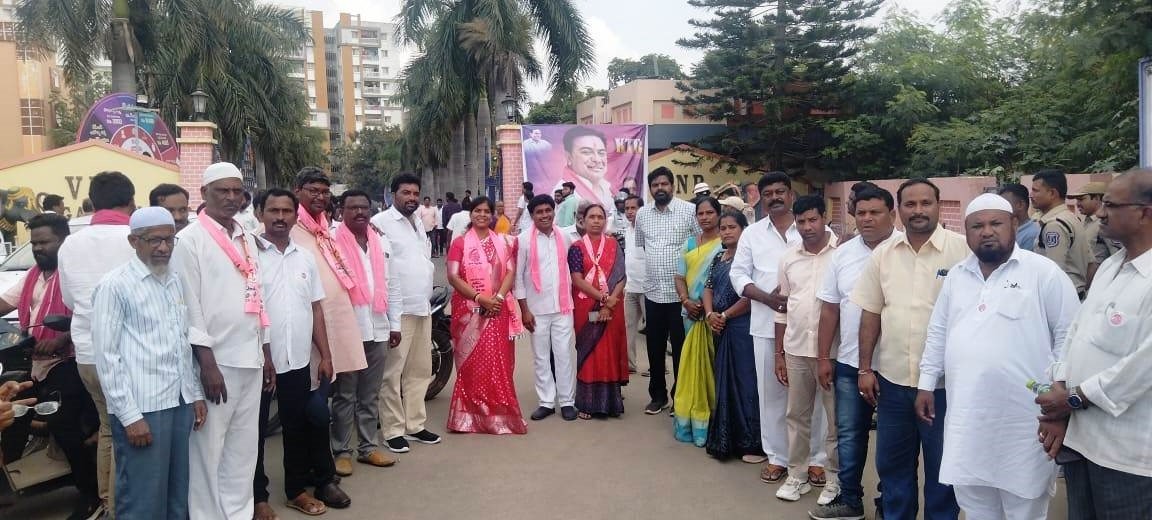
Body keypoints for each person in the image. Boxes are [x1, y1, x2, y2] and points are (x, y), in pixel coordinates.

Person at [912, 194, 1078, 520]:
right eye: (977, 226)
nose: (986, 231)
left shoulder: (1043, 273)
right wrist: (926, 384)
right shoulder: (957, 275)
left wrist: (1060, 393)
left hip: (1026, 420)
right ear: (967, 232)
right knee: (975, 504)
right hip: (968, 418)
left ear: (1014, 224)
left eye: (995, 224)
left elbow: (1069, 336)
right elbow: (938, 332)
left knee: (1024, 504)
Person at [1035, 170, 1152, 519]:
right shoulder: (1110, 267)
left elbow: (1142, 367)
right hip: (1082, 442)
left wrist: (1072, 398)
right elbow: (1075, 334)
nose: (1099, 213)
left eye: (1111, 205)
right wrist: (1059, 388)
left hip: (1128, 457)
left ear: (1144, 212)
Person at [852, 178, 968, 520]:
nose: (918, 211)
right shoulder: (883, 256)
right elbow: (871, 313)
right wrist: (864, 368)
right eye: (910, 204)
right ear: (898, 210)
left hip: (946, 387)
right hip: (893, 384)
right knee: (893, 468)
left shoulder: (963, 251)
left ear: (938, 205)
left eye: (925, 203)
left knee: (944, 471)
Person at [92, 207, 206, 519]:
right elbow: (107, 357)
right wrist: (130, 417)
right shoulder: (114, 286)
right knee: (142, 499)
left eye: (169, 240)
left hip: (178, 402)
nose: (163, 248)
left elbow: (181, 342)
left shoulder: (173, 280)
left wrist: (193, 393)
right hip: (142, 408)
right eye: (154, 240)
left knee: (177, 492)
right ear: (133, 241)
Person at [172, 162, 271, 519]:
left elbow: (257, 296)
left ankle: (238, 513)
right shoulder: (189, 240)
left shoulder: (246, 236)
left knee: (243, 449)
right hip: (217, 362)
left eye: (236, 191)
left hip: (251, 357)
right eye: (222, 191)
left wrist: (266, 352)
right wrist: (207, 364)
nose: (231, 198)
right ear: (204, 194)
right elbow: (190, 306)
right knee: (208, 450)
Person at [251, 189, 348, 518]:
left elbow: (316, 310)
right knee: (254, 433)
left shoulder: (304, 256)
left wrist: (326, 354)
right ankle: (257, 497)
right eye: (272, 210)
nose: (280, 217)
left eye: (286, 211)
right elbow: (250, 310)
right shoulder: (248, 254)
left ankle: (295, 491)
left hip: (296, 360)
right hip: (259, 363)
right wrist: (264, 353)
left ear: (295, 215)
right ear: (259, 213)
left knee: (296, 427)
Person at [0, 213, 101, 519]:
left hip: (71, 360)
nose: (38, 248)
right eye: (34, 243)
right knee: (13, 414)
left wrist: (63, 337)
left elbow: (93, 315)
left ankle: (91, 494)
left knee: (64, 426)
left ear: (63, 241)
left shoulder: (77, 275)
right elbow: (5, 303)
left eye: (45, 242)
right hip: (36, 360)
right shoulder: (33, 276)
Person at [809, 186, 901, 520]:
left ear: (892, 213)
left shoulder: (905, 250)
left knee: (893, 443)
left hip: (896, 367)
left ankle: (888, 502)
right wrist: (823, 357)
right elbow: (830, 309)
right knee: (849, 434)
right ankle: (850, 500)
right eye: (861, 212)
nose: (867, 219)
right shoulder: (843, 255)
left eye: (875, 212)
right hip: (849, 363)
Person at [730, 171, 827, 484]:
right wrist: (766, 299)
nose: (775, 197)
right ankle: (778, 458)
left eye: (780, 191)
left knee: (812, 396)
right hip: (764, 325)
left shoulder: (813, 230)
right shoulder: (753, 234)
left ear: (791, 196)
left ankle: (816, 459)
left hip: (809, 328)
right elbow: (738, 275)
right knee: (771, 395)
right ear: (760, 198)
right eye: (768, 192)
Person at [57, 170, 137, 515]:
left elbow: (69, 300)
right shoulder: (136, 237)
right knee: (135, 428)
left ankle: (108, 501)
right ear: (131, 201)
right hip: (130, 353)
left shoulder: (71, 243)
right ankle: (127, 502)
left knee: (109, 426)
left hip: (88, 352)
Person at [290, 168, 367, 477]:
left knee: (334, 394)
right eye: (313, 190)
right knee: (314, 402)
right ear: (298, 191)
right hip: (310, 328)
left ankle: (325, 462)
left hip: (337, 320)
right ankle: (314, 466)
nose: (320, 196)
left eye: (325, 191)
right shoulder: (291, 229)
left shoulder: (324, 229)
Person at [773, 195, 841, 505]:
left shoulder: (842, 254)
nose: (807, 227)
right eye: (801, 222)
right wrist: (779, 353)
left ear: (824, 217)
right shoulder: (788, 258)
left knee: (836, 419)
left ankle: (835, 478)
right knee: (796, 416)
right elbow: (782, 308)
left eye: (813, 220)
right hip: (797, 348)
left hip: (834, 352)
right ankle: (797, 475)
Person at [331, 190, 403, 470]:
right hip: (349, 330)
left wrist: (395, 324)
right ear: (341, 211)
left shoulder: (381, 242)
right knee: (345, 394)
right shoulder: (332, 244)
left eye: (364, 207)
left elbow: (393, 285)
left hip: (379, 328)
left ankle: (368, 446)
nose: (360, 212)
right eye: (353, 208)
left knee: (370, 393)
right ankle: (342, 451)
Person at [371, 174, 443, 453]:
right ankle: (392, 429)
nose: (411, 197)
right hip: (397, 311)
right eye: (405, 193)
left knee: (420, 370)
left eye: (415, 193)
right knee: (392, 373)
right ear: (392, 195)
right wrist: (390, 318)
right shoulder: (381, 224)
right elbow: (381, 270)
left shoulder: (418, 223)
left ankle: (415, 424)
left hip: (422, 307)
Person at [445, 196, 527, 434]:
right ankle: (468, 417)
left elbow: (510, 272)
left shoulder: (503, 242)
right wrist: (480, 299)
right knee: (471, 364)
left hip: (497, 309)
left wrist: (498, 298)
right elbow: (453, 276)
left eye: (486, 211)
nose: (481, 214)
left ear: (492, 215)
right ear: (470, 214)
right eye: (477, 210)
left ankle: (500, 416)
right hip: (470, 310)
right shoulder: (459, 243)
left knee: (498, 362)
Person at [634, 167, 700, 415]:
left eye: (664, 184)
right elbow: (643, 246)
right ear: (650, 189)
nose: (660, 188)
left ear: (673, 186)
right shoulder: (642, 214)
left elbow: (698, 246)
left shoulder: (688, 211)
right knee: (654, 348)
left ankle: (678, 397)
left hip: (680, 297)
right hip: (652, 293)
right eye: (655, 185)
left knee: (681, 350)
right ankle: (658, 396)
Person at [703, 210, 761, 460]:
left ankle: (752, 442)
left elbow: (751, 296)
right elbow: (708, 288)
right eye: (723, 228)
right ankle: (728, 439)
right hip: (718, 325)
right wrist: (709, 315)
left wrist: (725, 315)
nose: (726, 231)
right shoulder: (719, 257)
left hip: (741, 327)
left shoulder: (749, 259)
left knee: (745, 383)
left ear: (743, 229)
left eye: (732, 227)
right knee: (723, 381)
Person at [514, 194, 577, 422]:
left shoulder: (565, 237)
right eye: (539, 212)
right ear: (532, 216)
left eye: (548, 210)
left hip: (562, 308)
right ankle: (546, 402)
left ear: (554, 211)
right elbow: (518, 278)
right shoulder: (522, 240)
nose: (544, 215)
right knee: (541, 357)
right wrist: (524, 310)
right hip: (536, 309)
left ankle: (567, 401)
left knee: (563, 355)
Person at [568, 203, 628, 419]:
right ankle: (587, 402)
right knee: (589, 351)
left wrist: (609, 302)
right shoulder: (576, 247)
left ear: (605, 220)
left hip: (613, 305)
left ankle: (611, 402)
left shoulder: (613, 244)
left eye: (600, 217)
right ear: (583, 221)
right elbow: (576, 279)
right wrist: (603, 298)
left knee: (609, 350)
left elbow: (621, 276)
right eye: (591, 217)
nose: (595, 220)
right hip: (586, 307)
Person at [672, 197, 724, 444]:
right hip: (691, 314)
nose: (705, 217)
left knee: (714, 365)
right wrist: (685, 301)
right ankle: (692, 420)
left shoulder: (725, 243)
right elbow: (679, 276)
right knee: (691, 366)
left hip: (715, 314)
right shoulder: (690, 243)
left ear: (719, 214)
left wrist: (708, 307)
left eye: (709, 212)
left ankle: (715, 418)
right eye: (700, 214)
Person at [1031, 170, 1094, 298]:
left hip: (1061, 298)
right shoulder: (1071, 218)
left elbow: (1052, 272)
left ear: (1052, 193)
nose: (1031, 195)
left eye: (1035, 190)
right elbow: (1091, 265)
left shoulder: (1054, 225)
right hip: (1076, 295)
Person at [553, 126, 617, 224]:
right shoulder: (563, 189)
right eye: (586, 152)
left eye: (601, 153)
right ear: (569, 157)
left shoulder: (608, 189)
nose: (597, 159)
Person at [1070, 181, 1123, 271]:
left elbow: (1118, 257)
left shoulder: (1106, 223)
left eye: (1081, 199)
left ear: (1097, 198)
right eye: (1077, 200)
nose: (1077, 204)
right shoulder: (1085, 222)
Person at [622, 195, 646, 374]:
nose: (630, 212)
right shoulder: (627, 230)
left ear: (641, 209)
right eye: (627, 208)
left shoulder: (647, 230)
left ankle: (659, 366)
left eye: (633, 208)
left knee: (653, 330)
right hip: (630, 288)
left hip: (647, 289)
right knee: (628, 327)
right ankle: (630, 364)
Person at [998, 183, 1039, 252]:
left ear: (1020, 205)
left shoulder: (1031, 234)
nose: (1000, 208)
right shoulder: (1009, 230)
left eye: (1005, 204)